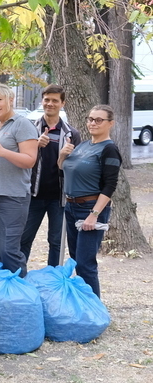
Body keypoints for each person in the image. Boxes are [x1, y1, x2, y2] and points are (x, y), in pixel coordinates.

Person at [59, 105, 121, 298]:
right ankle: (83, 305)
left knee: (86, 263)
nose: (93, 123)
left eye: (99, 120)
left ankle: (94, 310)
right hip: (71, 206)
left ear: (110, 123)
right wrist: (62, 155)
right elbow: (63, 168)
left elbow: (110, 185)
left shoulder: (109, 149)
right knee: (77, 259)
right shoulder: (84, 145)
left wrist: (94, 215)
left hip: (90, 208)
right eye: (90, 118)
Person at [0, 84, 39, 276]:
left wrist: (3, 153)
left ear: (10, 100)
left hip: (11, 196)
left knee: (9, 250)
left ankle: (21, 293)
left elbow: (30, 160)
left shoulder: (22, 124)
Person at [20, 85, 81, 266]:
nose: (50, 104)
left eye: (55, 100)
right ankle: (19, 278)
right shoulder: (30, 128)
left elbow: (77, 169)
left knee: (56, 242)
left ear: (63, 103)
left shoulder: (72, 134)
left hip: (59, 199)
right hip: (33, 196)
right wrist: (35, 145)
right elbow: (21, 159)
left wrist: (66, 156)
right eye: (47, 99)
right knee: (23, 239)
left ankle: (52, 278)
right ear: (42, 101)